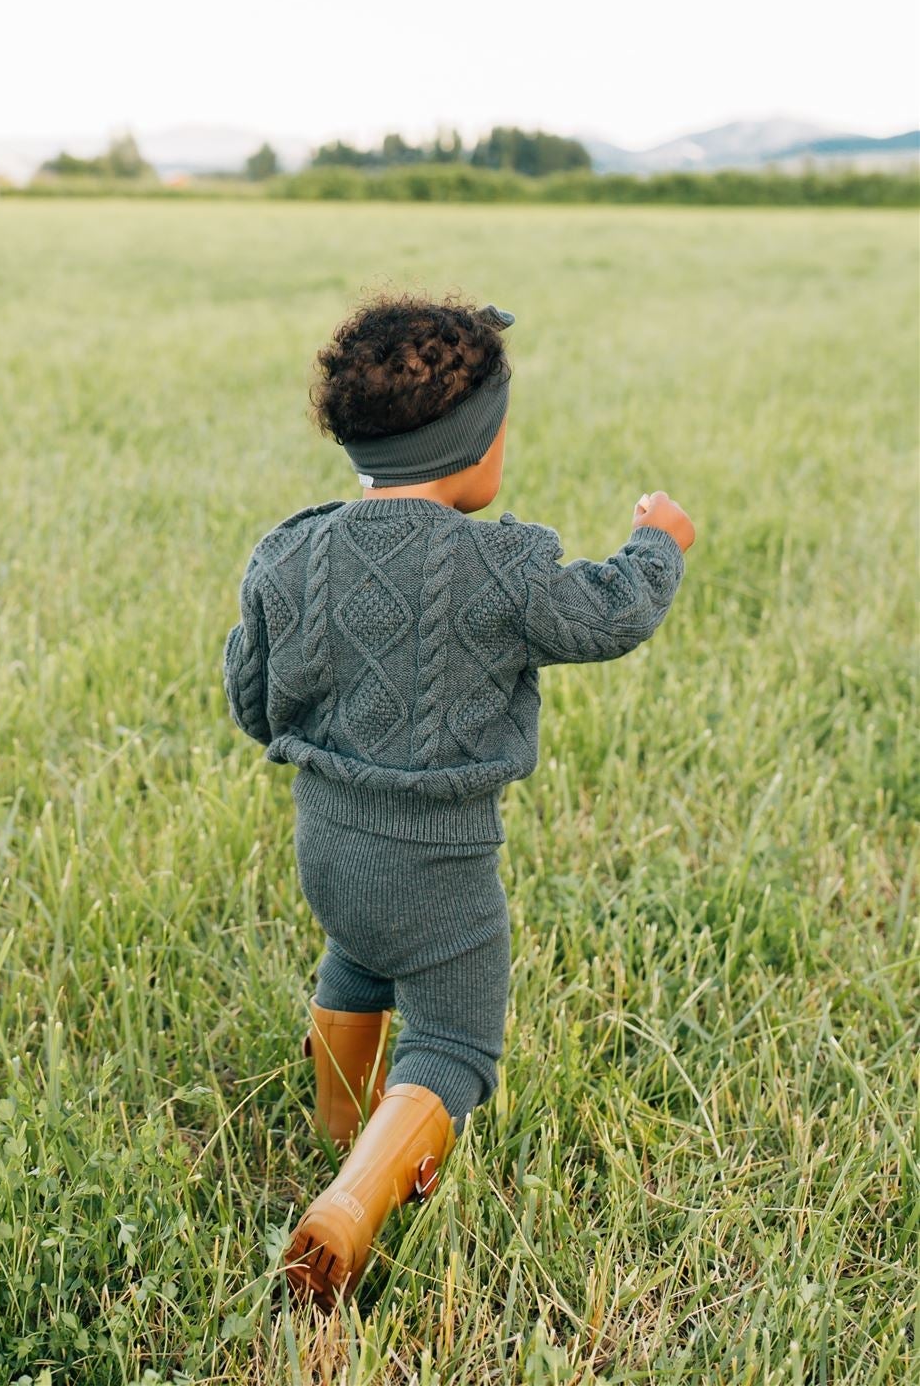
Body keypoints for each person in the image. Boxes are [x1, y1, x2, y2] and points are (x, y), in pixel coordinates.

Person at [221, 292, 695, 1311]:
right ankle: (349, 1206)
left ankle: (338, 1131)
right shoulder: (498, 562)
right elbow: (611, 613)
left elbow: (252, 699)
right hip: (439, 863)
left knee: (359, 957)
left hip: (326, 844)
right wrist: (661, 542)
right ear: (473, 441)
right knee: (453, 1037)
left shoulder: (287, 551)